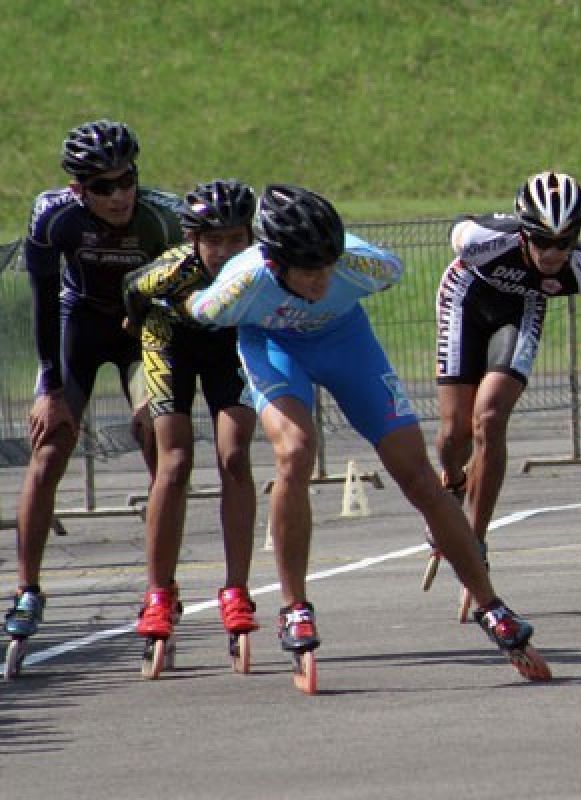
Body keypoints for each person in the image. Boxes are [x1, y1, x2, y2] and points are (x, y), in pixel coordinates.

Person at [186, 184, 549, 685]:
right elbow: (198, 309)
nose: (321, 278)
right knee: (295, 450)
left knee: (418, 475)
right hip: (274, 349)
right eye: (309, 270)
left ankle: (490, 604)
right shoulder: (240, 284)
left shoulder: (368, 265)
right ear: (274, 264)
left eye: (328, 266)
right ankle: (293, 606)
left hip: (346, 343)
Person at [5, 120, 183, 663]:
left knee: (157, 437)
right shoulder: (52, 215)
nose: (120, 194)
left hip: (141, 328)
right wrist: (50, 387)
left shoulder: (162, 216)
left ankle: (161, 589)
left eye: (126, 179)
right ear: (80, 189)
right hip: (75, 325)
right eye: (103, 187)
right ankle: (27, 589)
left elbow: (180, 294)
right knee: (51, 447)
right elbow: (40, 297)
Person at [428, 172, 581, 614]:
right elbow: (461, 225)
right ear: (523, 232)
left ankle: (475, 540)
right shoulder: (478, 241)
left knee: (489, 418)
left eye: (565, 243)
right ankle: (451, 481)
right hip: (466, 299)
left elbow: (563, 272)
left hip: (521, 310)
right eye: (542, 241)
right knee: (453, 435)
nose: (553, 253)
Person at [122, 180, 260, 674]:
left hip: (231, 347)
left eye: (235, 239)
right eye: (213, 240)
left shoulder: (259, 266)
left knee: (235, 455)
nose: (224, 252)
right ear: (193, 238)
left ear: (251, 235)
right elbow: (131, 294)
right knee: (174, 463)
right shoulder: (171, 270)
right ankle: (159, 592)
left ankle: (237, 589)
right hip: (169, 342)